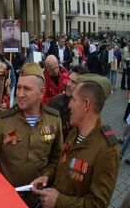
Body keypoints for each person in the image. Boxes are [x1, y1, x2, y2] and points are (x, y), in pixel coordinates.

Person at [32, 74, 119, 208]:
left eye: (73, 99)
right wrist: (47, 177)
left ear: (86, 105)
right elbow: (63, 166)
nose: (69, 105)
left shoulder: (107, 150)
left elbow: (98, 204)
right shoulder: (74, 133)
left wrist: (58, 201)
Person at [0, 62, 63, 200]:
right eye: (19, 87)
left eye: (27, 89)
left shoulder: (54, 119)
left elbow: (57, 158)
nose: (20, 94)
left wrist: (47, 176)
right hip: (7, 197)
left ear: (42, 92)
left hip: (38, 198)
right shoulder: (4, 120)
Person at [49, 65, 89, 140]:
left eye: (73, 82)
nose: (68, 84)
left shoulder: (88, 108)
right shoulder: (55, 103)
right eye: (68, 79)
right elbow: (48, 134)